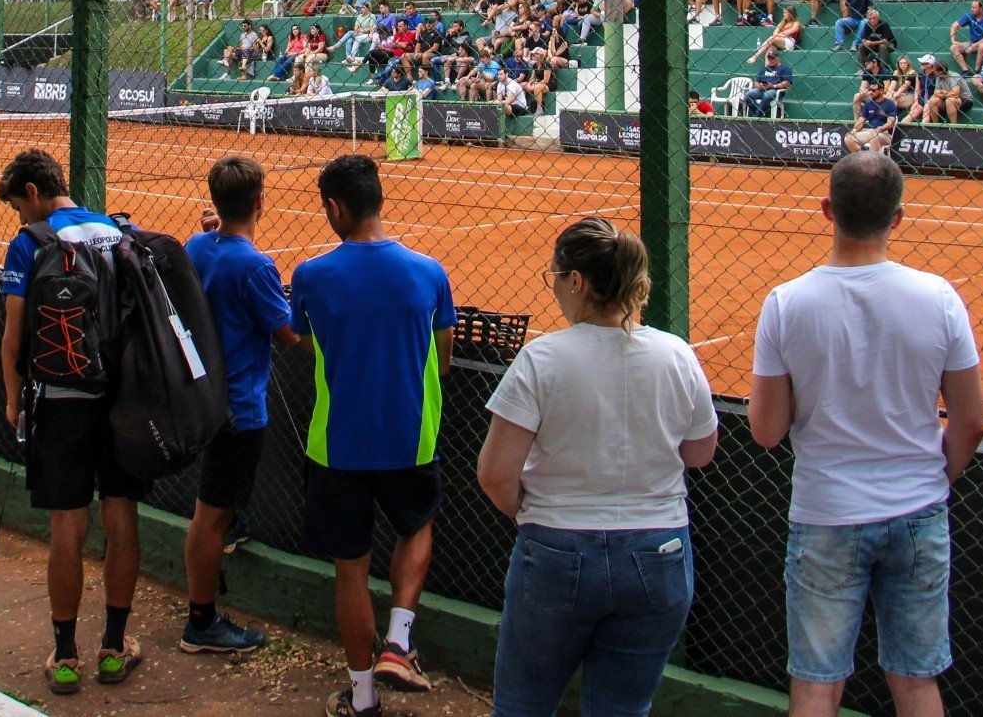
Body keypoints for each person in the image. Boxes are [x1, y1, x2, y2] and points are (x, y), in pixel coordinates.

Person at [748, 153, 983, 717]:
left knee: (816, 683)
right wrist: (931, 476)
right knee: (916, 680)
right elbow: (971, 422)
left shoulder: (787, 303)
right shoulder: (940, 297)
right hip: (918, 506)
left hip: (827, 511)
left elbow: (766, 431)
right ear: (899, 218)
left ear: (827, 210)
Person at [477, 219, 716, 717]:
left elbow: (497, 475)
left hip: (556, 547)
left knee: (523, 705)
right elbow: (699, 453)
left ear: (578, 281)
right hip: (659, 551)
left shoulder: (541, 358)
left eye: (557, 277)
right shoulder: (677, 355)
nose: (557, 288)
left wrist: (536, 514)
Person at [290, 156, 456, 715]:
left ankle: (361, 698)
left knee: (350, 567)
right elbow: (445, 359)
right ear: (378, 200)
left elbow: (309, 343)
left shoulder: (311, 275)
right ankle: (399, 640)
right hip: (412, 437)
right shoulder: (430, 272)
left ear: (335, 207)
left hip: (336, 446)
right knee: (417, 526)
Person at [0, 150, 146, 693]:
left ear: (34, 192)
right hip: (121, 399)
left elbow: (14, 337)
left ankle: (64, 656)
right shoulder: (115, 233)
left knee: (67, 527)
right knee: (121, 516)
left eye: (18, 206)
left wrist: (14, 399)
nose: (19, 218)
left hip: (59, 398)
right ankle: (113, 647)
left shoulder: (30, 242)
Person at [179, 157, 302, 653]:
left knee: (216, 504)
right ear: (259, 203)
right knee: (209, 516)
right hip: (239, 406)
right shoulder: (255, 266)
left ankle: (235, 520)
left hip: (204, 396)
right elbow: (288, 333)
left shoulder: (196, 246)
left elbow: (212, 257)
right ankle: (201, 622)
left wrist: (217, 233)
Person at [846, 85, 902, 154]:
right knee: (848, 138)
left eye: (873, 90)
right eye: (870, 90)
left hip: (884, 134)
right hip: (870, 132)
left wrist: (879, 129)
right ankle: (860, 157)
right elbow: (861, 120)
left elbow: (890, 124)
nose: (870, 92)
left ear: (881, 91)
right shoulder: (868, 104)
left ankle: (873, 162)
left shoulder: (890, 104)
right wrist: (854, 130)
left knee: (874, 137)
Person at [947, 0, 983, 75]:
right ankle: (966, 71)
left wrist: (974, 46)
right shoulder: (970, 16)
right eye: (972, 7)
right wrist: (953, 40)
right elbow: (954, 26)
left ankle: (977, 71)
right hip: (973, 42)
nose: (971, 9)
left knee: (982, 46)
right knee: (953, 47)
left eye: (974, 7)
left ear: (981, 9)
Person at [743, 49, 793, 117]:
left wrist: (773, 86)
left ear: (778, 58)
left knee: (767, 95)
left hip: (775, 90)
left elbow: (787, 83)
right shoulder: (765, 69)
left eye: (773, 58)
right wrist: (760, 85)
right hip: (762, 89)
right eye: (769, 58)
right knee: (747, 95)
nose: (770, 60)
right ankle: (758, 113)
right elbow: (756, 82)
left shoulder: (785, 68)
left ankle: (756, 116)